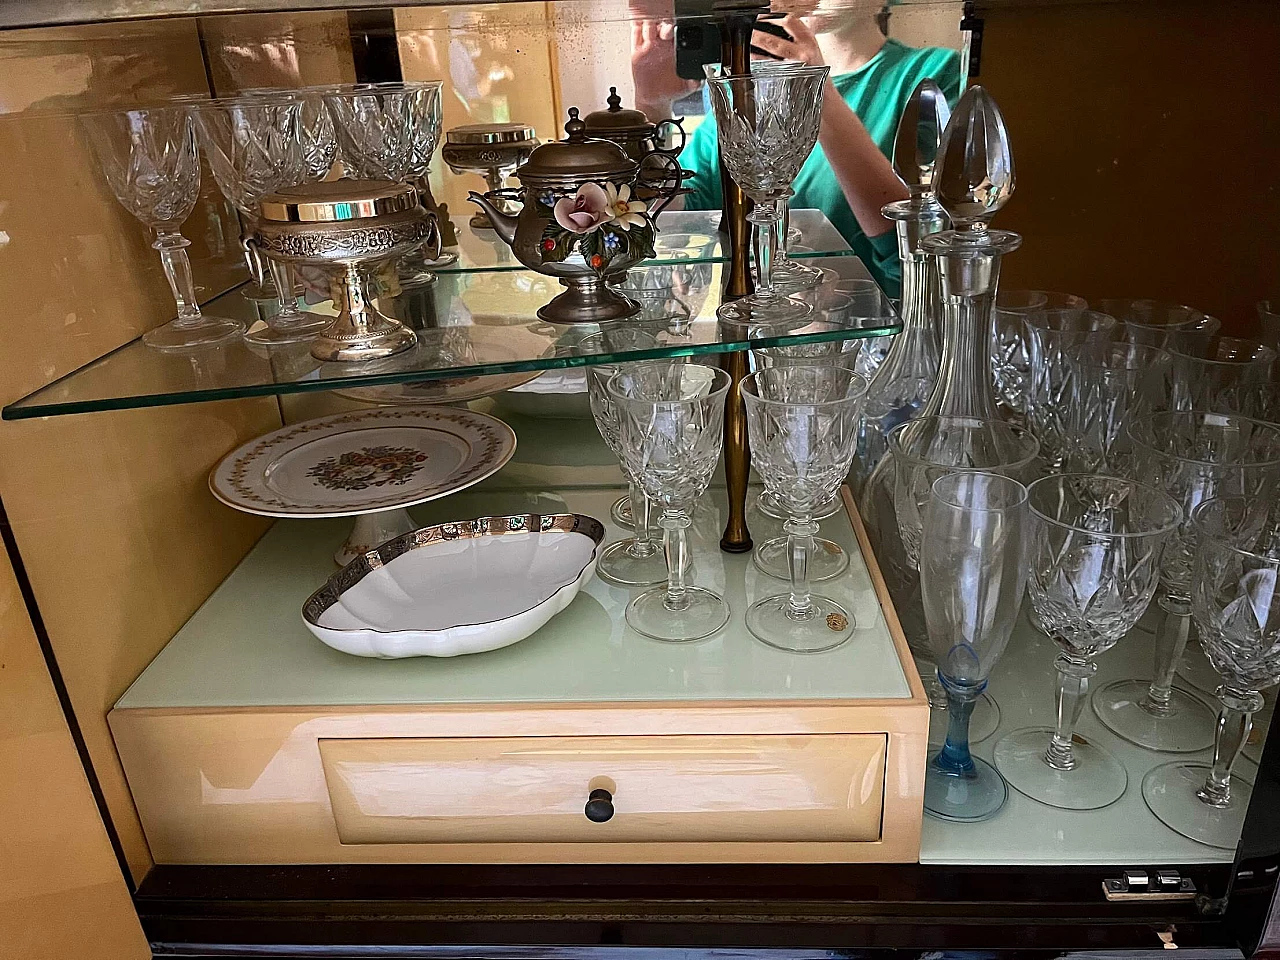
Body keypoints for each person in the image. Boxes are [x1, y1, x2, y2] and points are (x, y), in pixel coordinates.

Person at [631, 3, 962, 295]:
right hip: (764, 349)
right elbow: (674, 214)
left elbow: (920, 246)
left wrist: (819, 93)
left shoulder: (936, 74)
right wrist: (651, 107)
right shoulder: (745, 91)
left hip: (882, 346)